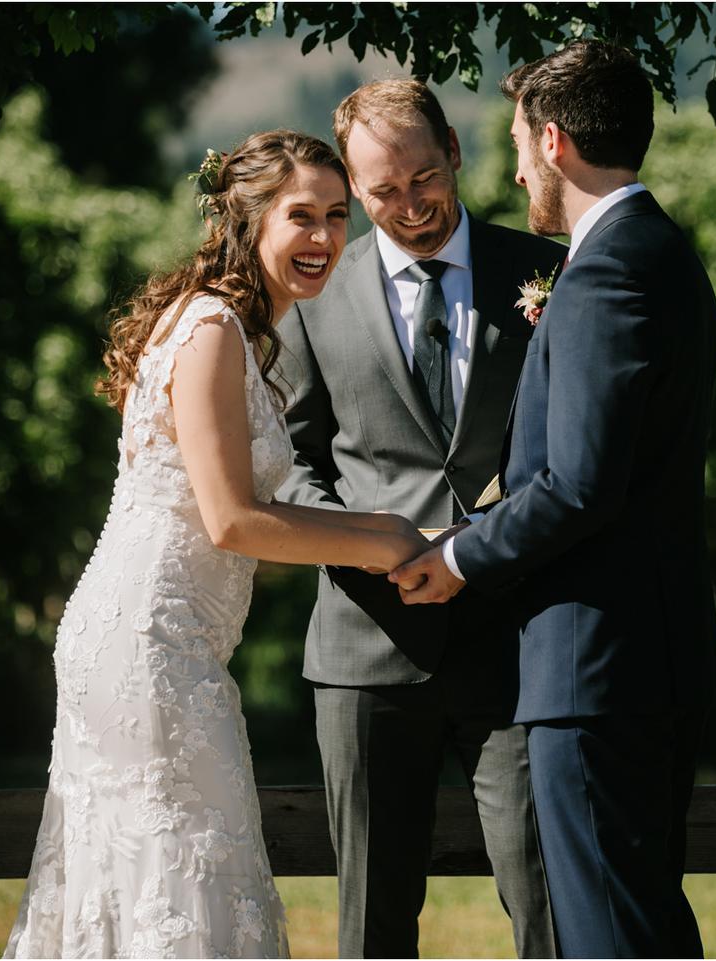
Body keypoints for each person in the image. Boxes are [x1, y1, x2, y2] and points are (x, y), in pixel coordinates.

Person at [4, 130, 427, 960]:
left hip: (162, 640)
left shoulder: (236, 328)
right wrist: (389, 543)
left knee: (163, 871)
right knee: (188, 866)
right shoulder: (211, 331)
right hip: (149, 647)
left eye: (338, 216)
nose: (325, 238)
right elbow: (233, 518)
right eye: (300, 215)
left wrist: (389, 530)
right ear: (249, 219)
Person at [391, 41, 716, 959]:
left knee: (610, 937)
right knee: (641, 921)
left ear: (554, 140)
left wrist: (458, 557)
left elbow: (580, 483)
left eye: (517, 144)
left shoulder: (606, 273)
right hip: (647, 660)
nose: (518, 166)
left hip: (598, 671)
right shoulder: (659, 253)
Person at [275, 79, 562, 958]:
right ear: (355, 192)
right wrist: (376, 550)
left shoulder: (547, 273)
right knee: (372, 923)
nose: (409, 206)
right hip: (365, 651)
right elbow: (290, 466)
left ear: (456, 152)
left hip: (518, 644)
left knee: (548, 907)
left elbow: (577, 452)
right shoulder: (312, 296)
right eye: (382, 192)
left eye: (423, 178)